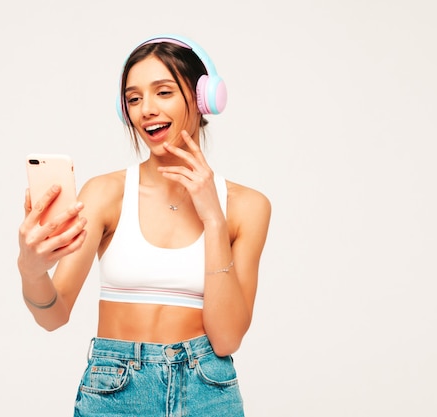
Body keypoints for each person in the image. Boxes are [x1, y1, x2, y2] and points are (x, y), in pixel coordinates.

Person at [17, 34, 271, 416]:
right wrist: (31, 269)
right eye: (134, 99)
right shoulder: (106, 193)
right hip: (116, 390)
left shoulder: (247, 207)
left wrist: (213, 219)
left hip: (208, 390)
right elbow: (53, 316)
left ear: (204, 99)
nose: (146, 109)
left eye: (163, 92)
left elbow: (227, 338)